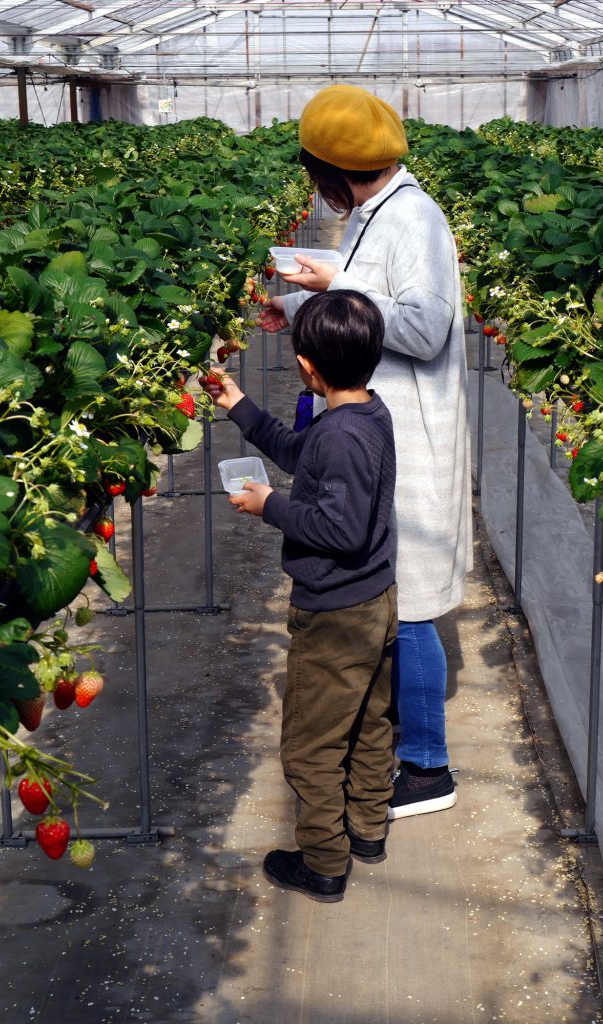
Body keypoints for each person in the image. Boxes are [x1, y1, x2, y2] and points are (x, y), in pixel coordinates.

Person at [259, 83, 472, 820]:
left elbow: (423, 328)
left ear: (328, 169)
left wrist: (336, 278)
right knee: (395, 596)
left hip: (406, 432)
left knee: (408, 606)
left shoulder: (414, 218)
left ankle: (426, 767)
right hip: (381, 424)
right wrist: (293, 306)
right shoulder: (383, 211)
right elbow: (368, 301)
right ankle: (401, 746)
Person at [201, 289, 397, 903]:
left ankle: (323, 862)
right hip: (375, 600)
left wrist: (270, 506)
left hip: (334, 612)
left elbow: (339, 529)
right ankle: (366, 829)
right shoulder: (366, 415)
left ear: (308, 365)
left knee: (311, 746)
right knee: (369, 722)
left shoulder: (340, 437)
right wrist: (240, 407)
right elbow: (300, 451)